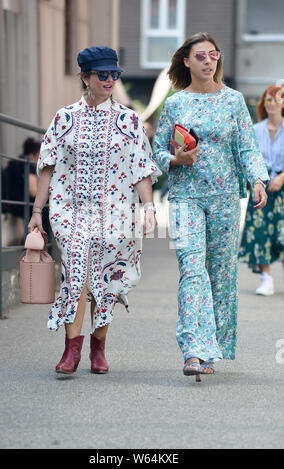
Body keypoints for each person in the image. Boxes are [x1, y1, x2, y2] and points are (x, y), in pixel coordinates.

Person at [28, 46, 161, 375]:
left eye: (114, 74)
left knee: (106, 276)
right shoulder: (65, 118)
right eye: (102, 74)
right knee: (75, 271)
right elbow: (47, 166)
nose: (109, 80)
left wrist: (148, 208)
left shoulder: (128, 120)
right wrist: (36, 211)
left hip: (116, 212)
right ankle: (71, 349)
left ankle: (98, 347)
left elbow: (140, 169)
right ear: (85, 77)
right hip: (69, 210)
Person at [153, 32, 269, 378]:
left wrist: (258, 179)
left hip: (224, 198)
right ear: (186, 62)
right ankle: (193, 349)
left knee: (220, 274)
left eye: (213, 55)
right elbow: (157, 152)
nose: (208, 60)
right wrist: (177, 159)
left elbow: (247, 146)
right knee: (192, 268)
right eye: (200, 55)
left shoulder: (233, 101)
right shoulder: (174, 103)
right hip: (186, 196)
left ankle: (211, 349)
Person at [239, 85, 284, 295]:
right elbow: (248, 158)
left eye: (276, 100)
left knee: (281, 234)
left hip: (282, 188)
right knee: (260, 233)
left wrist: (282, 177)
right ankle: (266, 277)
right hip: (261, 188)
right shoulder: (255, 130)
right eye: (268, 100)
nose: (271, 104)